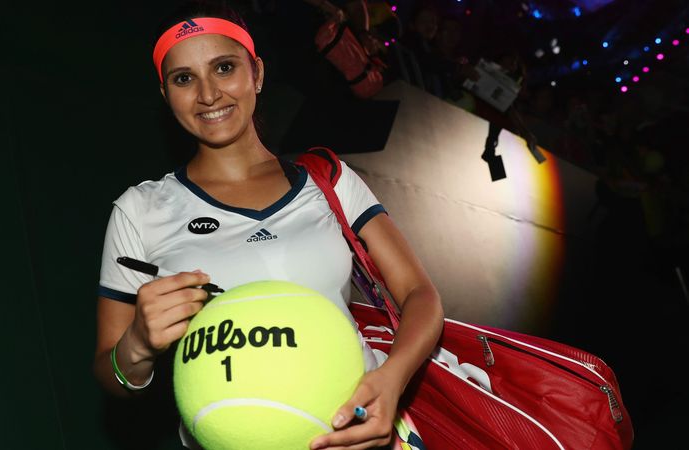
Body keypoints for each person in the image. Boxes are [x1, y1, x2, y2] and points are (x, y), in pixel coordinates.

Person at [93, 1, 443, 448]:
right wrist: (137, 345)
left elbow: (421, 295)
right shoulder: (139, 211)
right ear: (165, 94)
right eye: (184, 78)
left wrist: (390, 383)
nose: (208, 94)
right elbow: (111, 374)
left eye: (224, 68)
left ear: (256, 73)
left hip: (366, 436)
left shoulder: (328, 180)